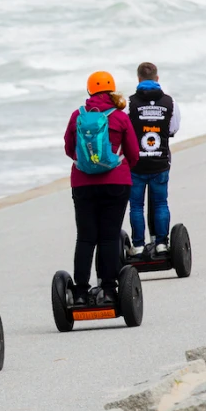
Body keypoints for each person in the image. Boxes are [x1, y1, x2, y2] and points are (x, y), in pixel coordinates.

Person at [64, 71, 140, 306]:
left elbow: (69, 149)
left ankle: (79, 293)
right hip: (116, 184)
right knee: (109, 236)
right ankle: (107, 290)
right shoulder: (119, 117)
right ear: (112, 90)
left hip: (83, 185)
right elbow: (134, 155)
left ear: (89, 92)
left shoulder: (78, 116)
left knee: (85, 238)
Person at [128, 63, 179, 258]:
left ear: (138, 79)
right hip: (160, 161)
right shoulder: (170, 102)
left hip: (137, 163)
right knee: (160, 203)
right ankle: (161, 244)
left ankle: (139, 246)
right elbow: (173, 129)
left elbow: (126, 131)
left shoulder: (129, 102)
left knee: (136, 206)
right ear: (157, 79)